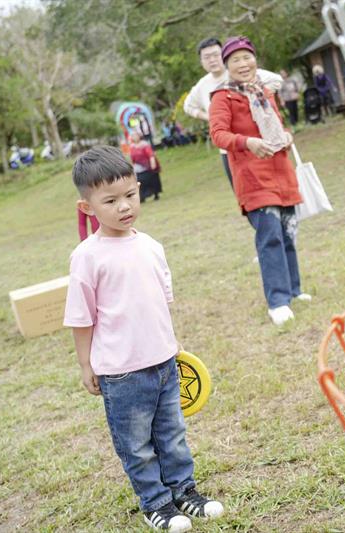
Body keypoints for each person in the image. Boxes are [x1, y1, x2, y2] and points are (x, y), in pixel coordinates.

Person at [63, 146, 223, 532]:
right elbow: (82, 318)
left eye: (130, 195)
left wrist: (174, 345)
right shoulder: (87, 257)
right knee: (136, 445)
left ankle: (185, 491)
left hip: (164, 363)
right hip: (121, 373)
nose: (124, 207)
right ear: (88, 208)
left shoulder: (152, 246)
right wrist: (86, 364)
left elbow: (160, 303)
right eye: (111, 201)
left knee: (172, 434)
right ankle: (157, 503)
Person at [209, 36, 312, 326]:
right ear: (227, 65)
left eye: (247, 57)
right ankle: (278, 301)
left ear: (255, 59)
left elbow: (277, 124)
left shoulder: (264, 91)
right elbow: (218, 134)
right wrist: (248, 142)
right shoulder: (222, 96)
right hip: (253, 175)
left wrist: (287, 136)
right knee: (270, 237)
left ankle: (294, 290)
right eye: (236, 60)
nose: (243, 64)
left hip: (281, 169)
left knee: (288, 232)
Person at [184, 37, 283, 190]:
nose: (212, 60)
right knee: (244, 193)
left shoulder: (241, 72)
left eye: (216, 55)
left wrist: (256, 97)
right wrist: (209, 117)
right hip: (228, 149)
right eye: (207, 57)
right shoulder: (202, 85)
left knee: (271, 189)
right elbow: (188, 106)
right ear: (201, 61)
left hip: (259, 143)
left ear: (223, 55)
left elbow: (277, 80)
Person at [129, 131, 163, 202]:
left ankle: (155, 194)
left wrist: (152, 163)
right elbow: (132, 158)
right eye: (133, 136)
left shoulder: (144, 144)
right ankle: (142, 197)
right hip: (138, 167)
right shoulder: (132, 146)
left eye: (135, 135)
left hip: (147, 166)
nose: (134, 137)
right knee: (140, 182)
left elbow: (151, 155)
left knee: (152, 180)